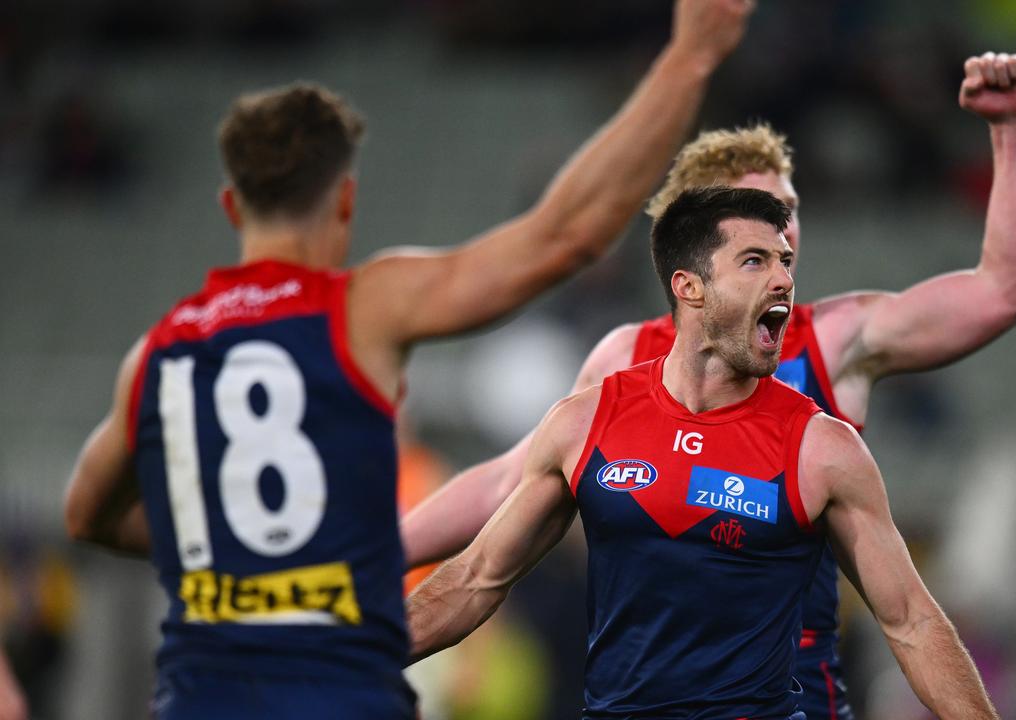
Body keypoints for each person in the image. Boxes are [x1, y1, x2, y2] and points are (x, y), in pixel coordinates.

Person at [61, 1, 756, 716]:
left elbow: (87, 517)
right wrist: (689, 57)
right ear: (345, 202)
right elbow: (567, 237)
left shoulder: (160, 351)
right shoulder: (363, 308)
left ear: (231, 207)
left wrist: (238, 546)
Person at [401, 50, 1016, 719]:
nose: (788, 235)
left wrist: (1014, 131)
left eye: (790, 213)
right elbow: (496, 521)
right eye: (763, 218)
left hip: (794, 694)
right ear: (690, 262)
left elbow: (1009, 288)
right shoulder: (614, 378)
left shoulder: (834, 351)